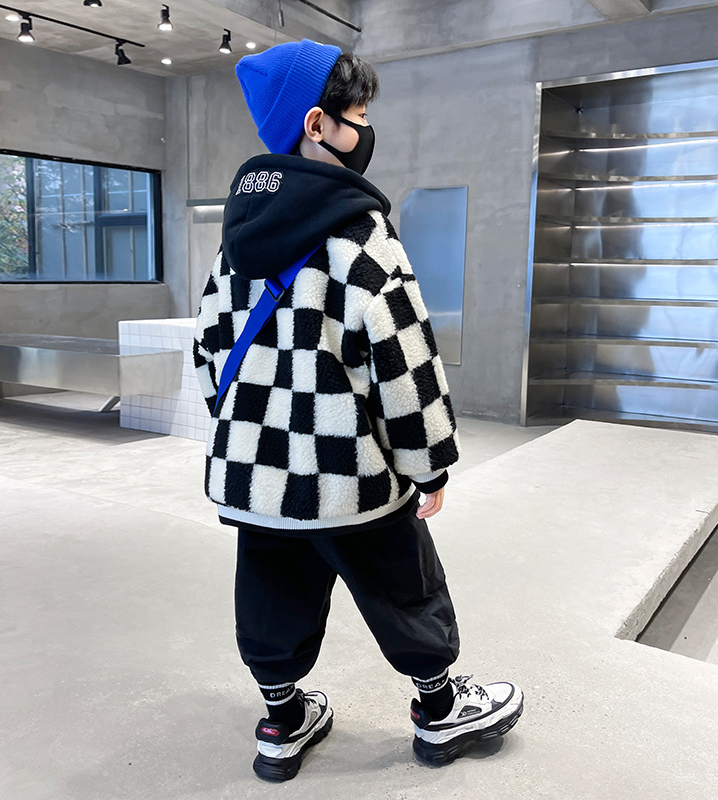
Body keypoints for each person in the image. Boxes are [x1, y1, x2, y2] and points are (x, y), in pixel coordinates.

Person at [193, 39, 523, 782]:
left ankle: (281, 722)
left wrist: (251, 432)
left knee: (271, 584)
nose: (366, 130)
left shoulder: (235, 243)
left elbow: (210, 349)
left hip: (256, 478)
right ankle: (441, 710)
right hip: (350, 472)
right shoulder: (360, 235)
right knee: (402, 581)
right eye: (359, 116)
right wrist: (429, 464)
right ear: (317, 124)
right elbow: (404, 362)